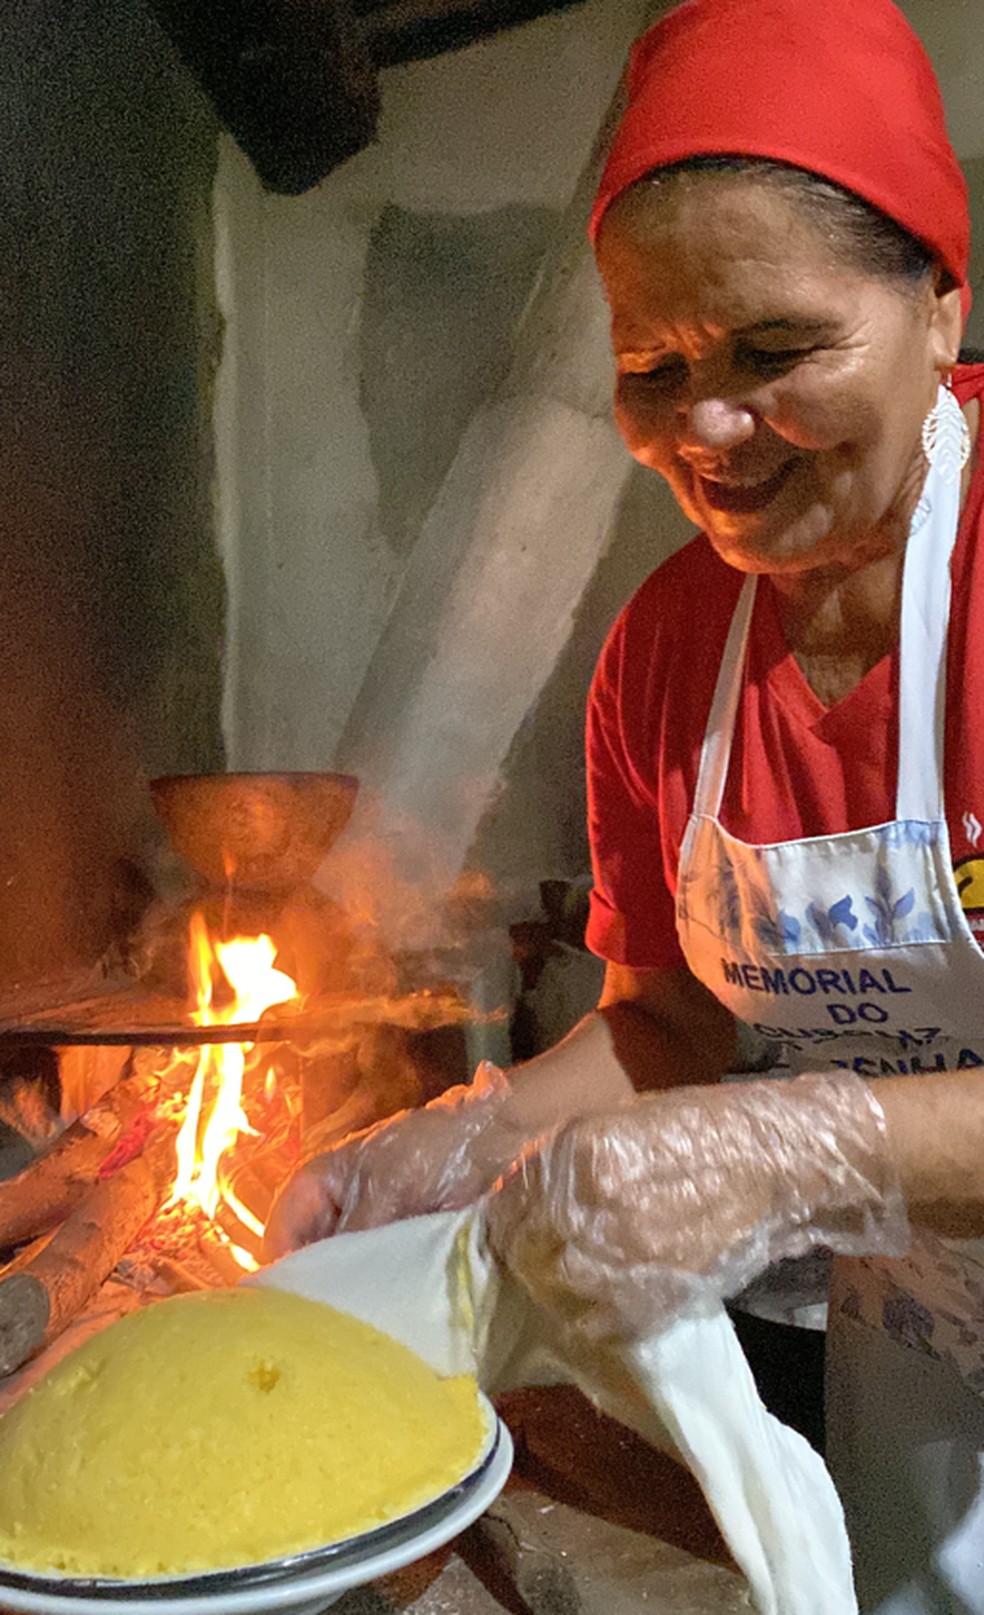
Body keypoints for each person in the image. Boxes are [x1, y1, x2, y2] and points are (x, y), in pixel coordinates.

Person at [266, 1, 984, 1601]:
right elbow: (670, 1026)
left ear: (941, 307)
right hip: (923, 1353)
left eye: (776, 351)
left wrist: (785, 1152)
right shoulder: (668, 652)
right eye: (650, 366)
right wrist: (463, 1137)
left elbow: (755, 1116)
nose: (707, 432)